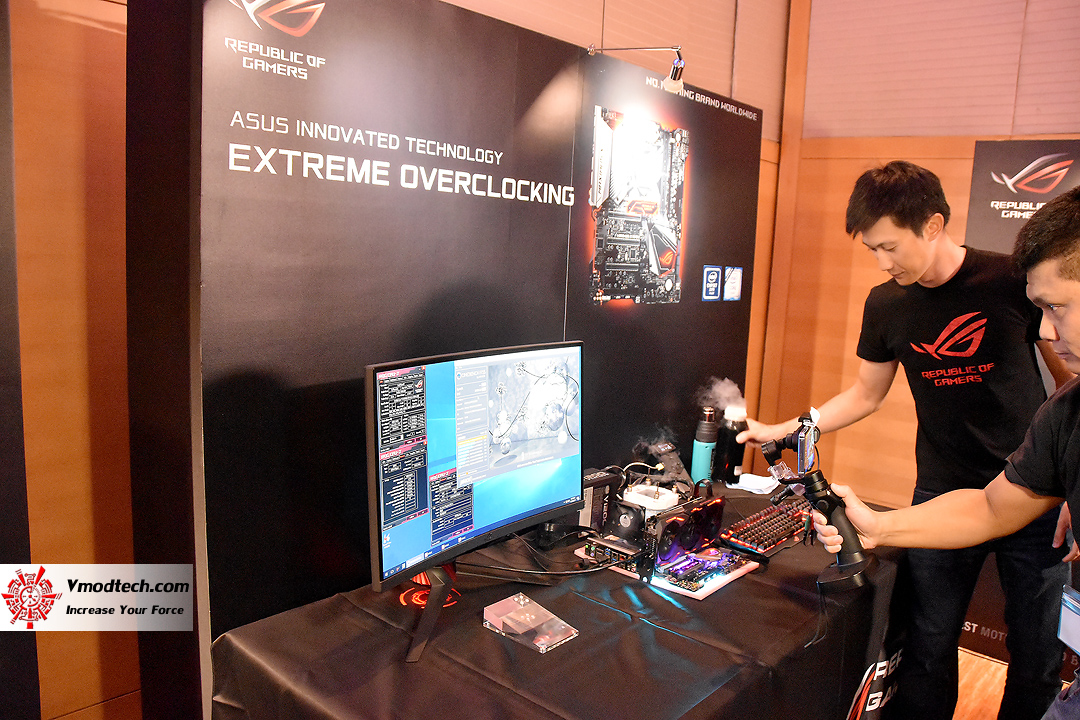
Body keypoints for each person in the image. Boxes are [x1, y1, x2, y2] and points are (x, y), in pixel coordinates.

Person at [740, 161, 1073, 720]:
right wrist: (786, 429)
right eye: (872, 249)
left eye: (890, 247)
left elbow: (1066, 383)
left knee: (1036, 653)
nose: (882, 262)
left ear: (933, 225)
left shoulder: (1011, 281)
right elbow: (865, 394)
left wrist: (1068, 476)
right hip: (942, 492)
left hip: (1031, 491)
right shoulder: (886, 304)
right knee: (927, 642)